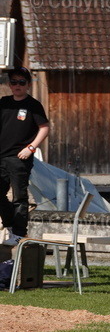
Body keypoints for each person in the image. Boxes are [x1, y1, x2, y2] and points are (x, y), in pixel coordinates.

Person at [0, 67, 50, 244]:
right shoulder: (4, 102)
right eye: (14, 82)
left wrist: (31, 147)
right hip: (1, 156)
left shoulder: (33, 105)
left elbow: (44, 127)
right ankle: (10, 225)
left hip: (20, 157)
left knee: (19, 197)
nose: (17, 86)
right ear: (9, 84)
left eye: (21, 82)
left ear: (28, 85)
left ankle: (19, 233)